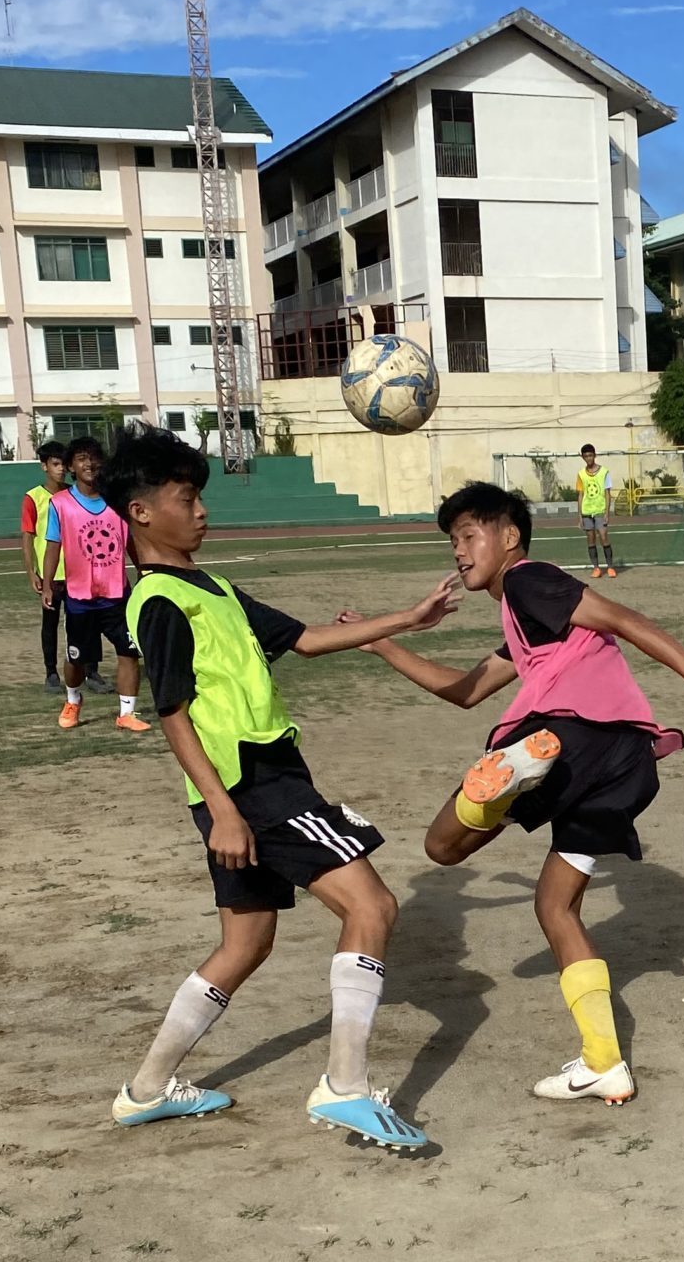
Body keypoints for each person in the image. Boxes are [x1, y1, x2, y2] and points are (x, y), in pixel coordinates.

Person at [100, 425, 461, 1147]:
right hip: (254, 786)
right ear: (142, 512)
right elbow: (170, 712)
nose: (201, 511)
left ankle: (145, 1091)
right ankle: (345, 1086)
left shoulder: (215, 589)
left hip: (245, 788)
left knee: (247, 941)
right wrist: (226, 811)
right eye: (186, 498)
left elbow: (308, 638)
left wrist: (407, 618)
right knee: (373, 904)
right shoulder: (163, 600)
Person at [355, 481, 684, 1107]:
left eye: (468, 536)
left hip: (569, 740)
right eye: (452, 541)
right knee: (555, 907)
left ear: (509, 536)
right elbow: (464, 690)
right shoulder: (530, 619)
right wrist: (382, 642)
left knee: (441, 845)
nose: (459, 552)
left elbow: (623, 619)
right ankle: (605, 1064)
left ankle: (505, 778)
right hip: (627, 765)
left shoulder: (526, 580)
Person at [41, 435, 149, 732]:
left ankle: (127, 713)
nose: (89, 463)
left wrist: (144, 571)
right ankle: (73, 700)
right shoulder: (60, 504)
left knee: (129, 651)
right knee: (77, 658)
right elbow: (53, 545)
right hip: (79, 597)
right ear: (72, 467)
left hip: (116, 594)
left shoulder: (117, 502)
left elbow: (132, 543)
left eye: (93, 457)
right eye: (81, 458)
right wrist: (48, 584)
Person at [22, 439, 69, 692]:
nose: (61, 469)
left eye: (63, 464)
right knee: (50, 626)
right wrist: (32, 573)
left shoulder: (75, 495)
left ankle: (91, 671)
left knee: (84, 625)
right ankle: (51, 673)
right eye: (55, 464)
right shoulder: (34, 498)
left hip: (77, 574)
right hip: (51, 576)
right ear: (44, 466)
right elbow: (28, 537)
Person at [577, 443, 616, 578]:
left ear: (595, 455)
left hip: (600, 510)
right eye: (586, 456)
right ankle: (596, 568)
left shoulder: (604, 472)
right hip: (587, 511)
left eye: (590, 455)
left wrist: (607, 512)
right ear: (583, 457)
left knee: (603, 536)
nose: (588, 458)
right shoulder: (581, 474)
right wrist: (580, 516)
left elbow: (607, 493)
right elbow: (581, 495)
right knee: (590, 538)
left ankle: (610, 567)